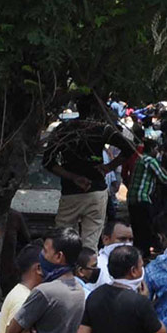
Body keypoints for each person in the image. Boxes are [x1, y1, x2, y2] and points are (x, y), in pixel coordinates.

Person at [44, 97, 131, 251]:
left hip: (70, 193)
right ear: (97, 111)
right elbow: (129, 148)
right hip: (96, 192)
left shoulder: (64, 129)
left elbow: (48, 162)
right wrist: (108, 167)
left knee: (63, 242)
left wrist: (73, 177)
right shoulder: (103, 130)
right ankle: (86, 270)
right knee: (90, 243)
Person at [126, 138, 167, 256]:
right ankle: (145, 253)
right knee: (146, 228)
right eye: (156, 149)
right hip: (142, 198)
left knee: (137, 228)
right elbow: (163, 177)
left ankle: (139, 252)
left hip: (132, 198)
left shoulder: (139, 159)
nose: (157, 152)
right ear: (152, 149)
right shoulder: (150, 161)